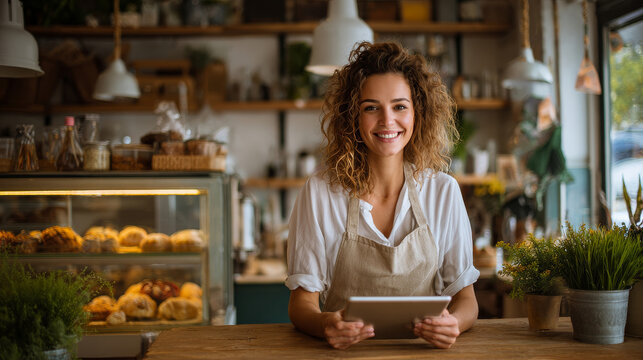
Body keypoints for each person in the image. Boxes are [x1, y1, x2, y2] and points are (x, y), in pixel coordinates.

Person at [286, 41, 479, 350]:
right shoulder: (320, 192)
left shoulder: (443, 191)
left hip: (421, 355)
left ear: (418, 113)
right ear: (353, 116)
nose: (387, 121)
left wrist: (453, 323)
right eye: (371, 107)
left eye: (399, 106)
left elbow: (466, 300)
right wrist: (326, 325)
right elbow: (301, 305)